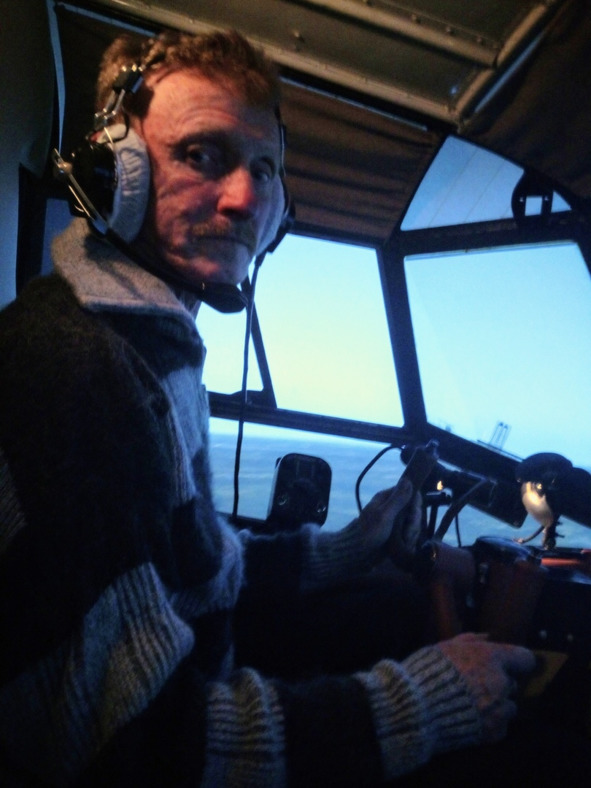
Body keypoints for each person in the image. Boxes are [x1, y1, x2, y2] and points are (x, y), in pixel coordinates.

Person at [0, 28, 538, 786]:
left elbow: (196, 569)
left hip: (199, 665)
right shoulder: (74, 370)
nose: (248, 198)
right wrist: (422, 704)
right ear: (114, 172)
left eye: (264, 169)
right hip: (157, 742)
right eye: (201, 155)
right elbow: (130, 749)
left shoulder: (147, 345)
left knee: (389, 601)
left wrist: (351, 545)